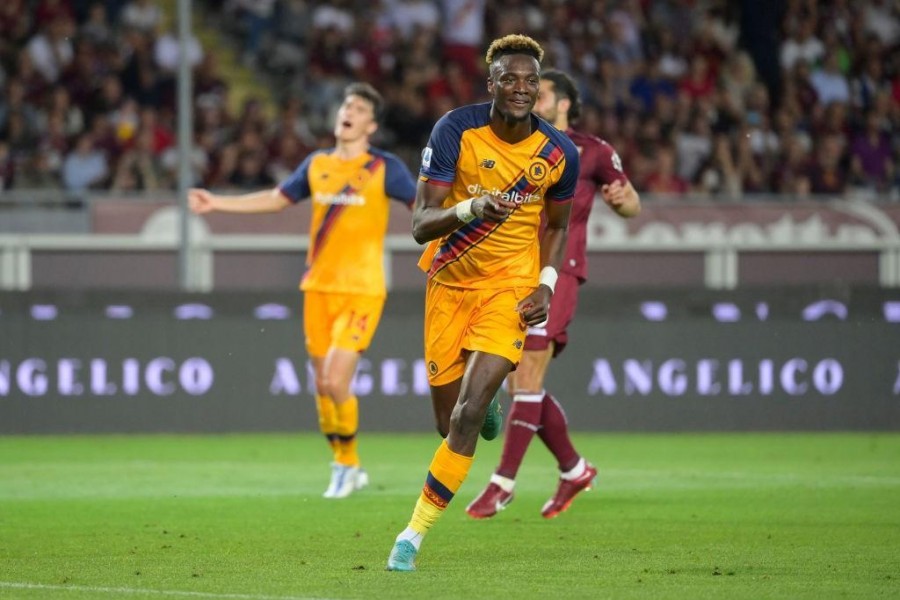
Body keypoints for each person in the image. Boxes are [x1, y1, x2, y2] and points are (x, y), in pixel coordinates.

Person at [386, 34, 580, 572]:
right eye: (509, 79)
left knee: (468, 416)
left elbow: (558, 227)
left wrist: (546, 283)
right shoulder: (455, 130)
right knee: (450, 424)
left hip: (509, 291)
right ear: (491, 83)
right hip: (448, 285)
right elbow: (421, 224)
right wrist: (471, 207)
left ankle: (412, 535)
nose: (520, 89)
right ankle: (483, 405)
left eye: (529, 81)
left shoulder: (559, 153)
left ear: (539, 89)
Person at [188, 83, 416, 499]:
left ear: (372, 124)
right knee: (323, 384)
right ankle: (345, 461)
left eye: (359, 107)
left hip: (363, 290)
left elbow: (423, 208)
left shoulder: (385, 169)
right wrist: (217, 204)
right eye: (346, 104)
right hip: (318, 288)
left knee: (335, 377)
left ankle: (346, 466)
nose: (348, 111)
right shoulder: (317, 165)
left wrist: (454, 229)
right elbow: (277, 199)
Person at [466, 69, 641, 521]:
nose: (527, 96)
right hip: (513, 271)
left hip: (558, 271)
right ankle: (575, 469)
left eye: (539, 92)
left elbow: (631, 203)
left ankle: (502, 484)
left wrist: (624, 201)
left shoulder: (592, 150)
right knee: (520, 383)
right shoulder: (518, 144)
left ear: (563, 102)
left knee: (525, 378)